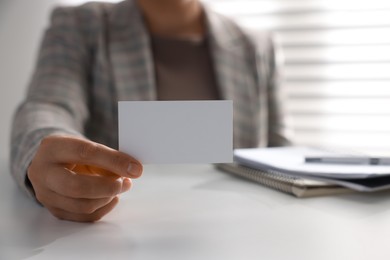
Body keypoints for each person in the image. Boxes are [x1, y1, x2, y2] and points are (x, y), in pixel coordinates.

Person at [10, 0, 291, 222]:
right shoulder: (80, 26)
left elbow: (282, 153)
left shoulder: (256, 47)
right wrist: (45, 150)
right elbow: (48, 105)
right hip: (114, 234)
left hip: (239, 232)